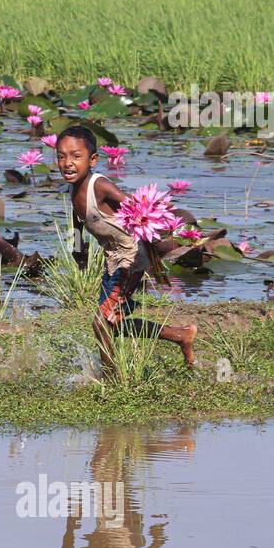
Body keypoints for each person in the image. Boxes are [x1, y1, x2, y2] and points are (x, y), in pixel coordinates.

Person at [55, 125, 196, 372]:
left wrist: (161, 242)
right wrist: (78, 248)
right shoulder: (73, 188)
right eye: (61, 156)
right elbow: (77, 218)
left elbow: (137, 209)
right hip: (113, 259)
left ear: (93, 159)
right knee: (113, 324)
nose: (68, 163)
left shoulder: (100, 186)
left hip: (130, 261)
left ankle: (111, 379)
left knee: (101, 323)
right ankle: (180, 335)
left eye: (76, 156)